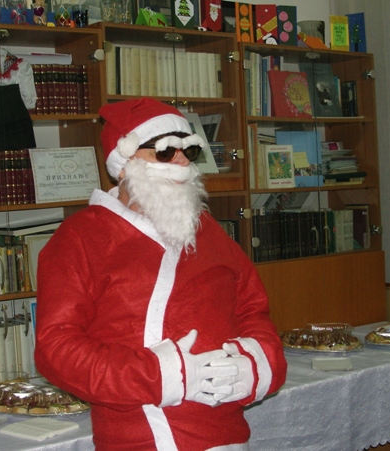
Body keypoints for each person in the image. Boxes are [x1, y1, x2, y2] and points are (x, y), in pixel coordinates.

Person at [34, 98, 287, 450]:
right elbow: (57, 348)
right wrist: (162, 375)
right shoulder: (80, 237)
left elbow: (253, 311)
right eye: (166, 152)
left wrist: (255, 364)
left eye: (189, 151)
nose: (182, 163)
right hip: (140, 438)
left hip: (228, 434)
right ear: (124, 164)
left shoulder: (209, 230)